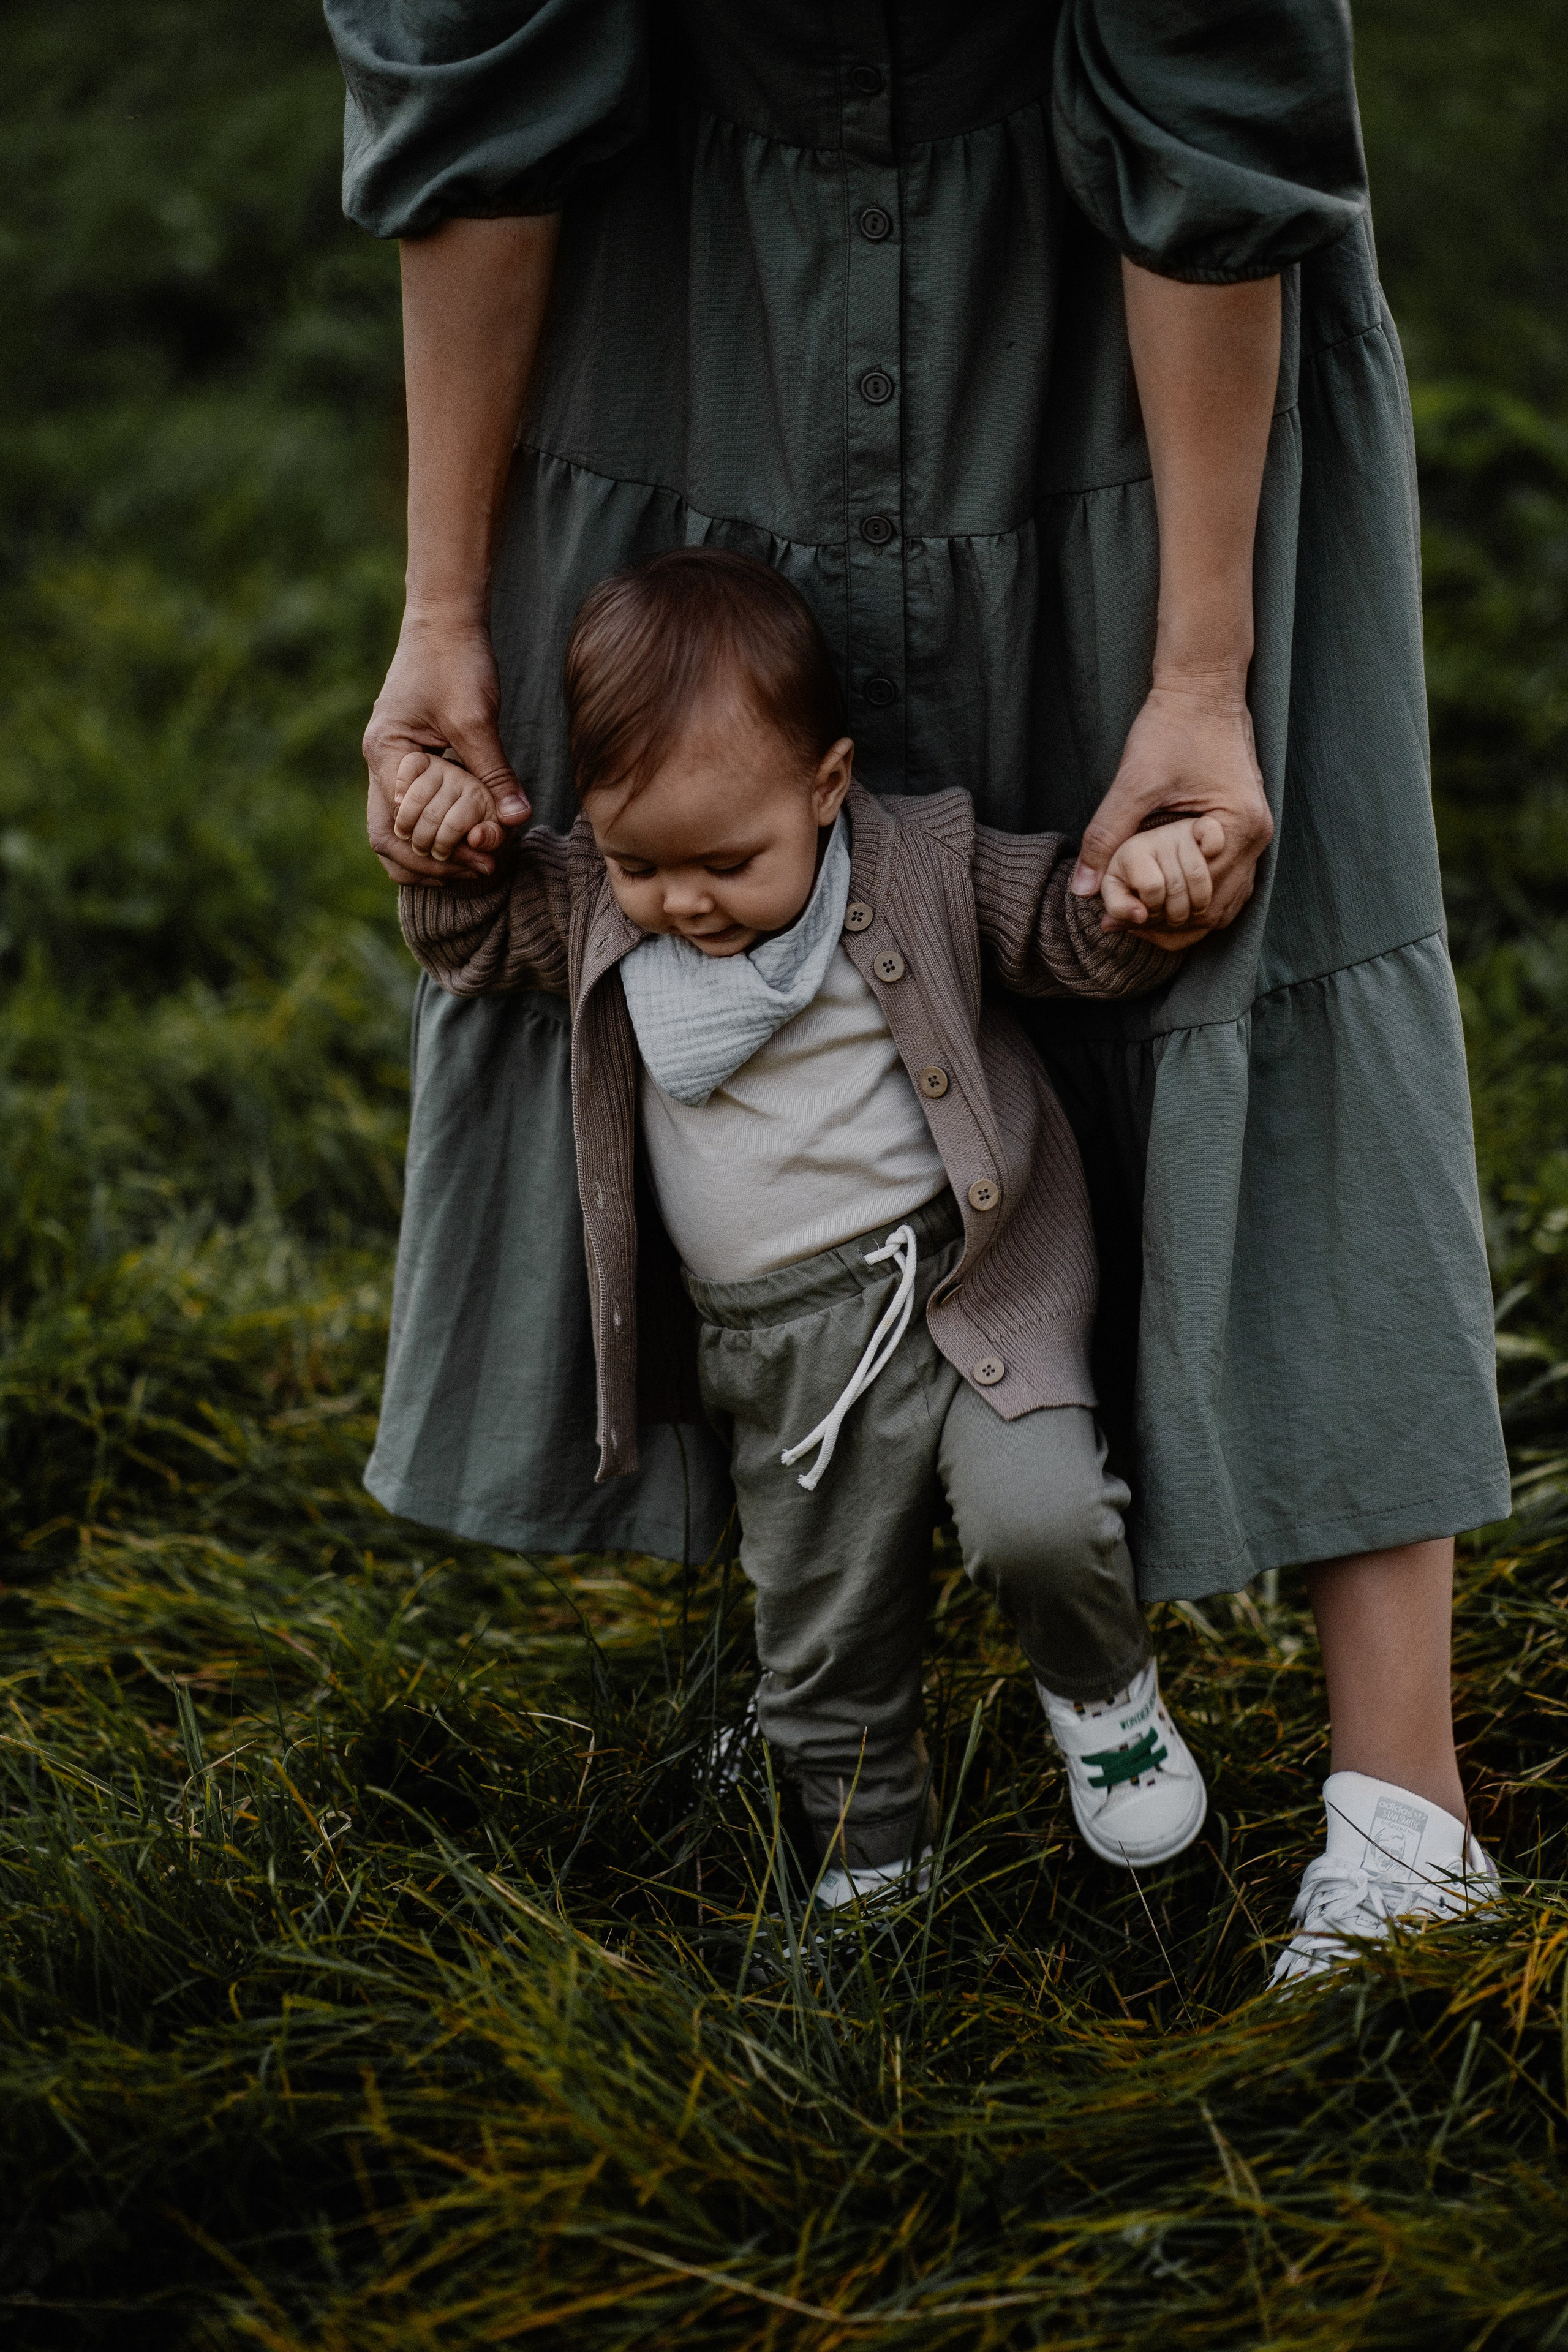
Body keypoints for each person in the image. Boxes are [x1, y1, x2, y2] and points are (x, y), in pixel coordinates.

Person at [323, 1, 1510, 1978]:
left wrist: (1200, 671)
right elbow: (473, 66)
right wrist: (442, 611)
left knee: (1260, 927)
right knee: (700, 829)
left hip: (1137, 292)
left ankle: (1406, 1805)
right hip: (692, 268)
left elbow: (1217, 84)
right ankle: (832, 1697)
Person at [394, 548, 1221, 1893]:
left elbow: (1072, 937)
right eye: (640, 861)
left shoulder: (920, 865)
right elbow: (467, 941)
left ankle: (1105, 1706)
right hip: (780, 1355)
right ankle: (869, 1862)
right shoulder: (598, 906)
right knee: (823, 1637)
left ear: (827, 786)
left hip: (966, 1294)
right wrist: (443, 845)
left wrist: (1148, 885)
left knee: (1043, 1519)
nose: (684, 902)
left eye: (728, 861)